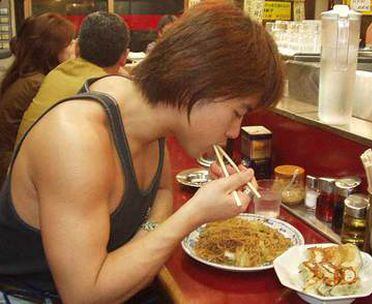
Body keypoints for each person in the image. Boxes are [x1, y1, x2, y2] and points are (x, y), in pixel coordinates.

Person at [0, 1, 285, 303]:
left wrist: (148, 232)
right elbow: (85, 295)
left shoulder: (149, 117)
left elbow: (163, 192)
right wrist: (192, 215)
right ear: (198, 83)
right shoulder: (75, 138)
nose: (234, 132)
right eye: (237, 112)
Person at [16, 11, 130, 142]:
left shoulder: (55, 74)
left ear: (77, 48)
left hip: (21, 159)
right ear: (124, 57)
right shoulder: (109, 92)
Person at [0, 13, 75, 185]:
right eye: (69, 43)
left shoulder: (24, 76)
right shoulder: (39, 84)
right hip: (16, 173)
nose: (74, 48)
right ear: (53, 50)